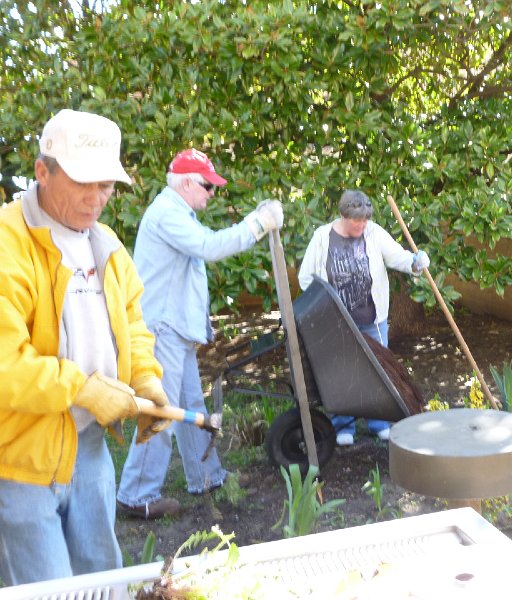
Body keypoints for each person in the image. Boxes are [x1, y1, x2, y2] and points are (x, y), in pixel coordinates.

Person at [0, 109, 172, 585]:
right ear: (42, 171)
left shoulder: (106, 244)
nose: (96, 199)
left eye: (106, 186)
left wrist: (145, 380)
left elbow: (132, 326)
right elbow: (6, 366)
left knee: (102, 582)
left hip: (90, 449)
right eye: (83, 183)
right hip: (20, 459)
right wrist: (84, 389)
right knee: (49, 591)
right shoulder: (7, 243)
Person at [116, 149, 283, 519]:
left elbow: (189, 267)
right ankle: (136, 495)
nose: (212, 193)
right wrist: (258, 224)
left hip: (174, 327)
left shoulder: (179, 213)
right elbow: (208, 247)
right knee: (162, 411)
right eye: (208, 186)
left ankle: (206, 477)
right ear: (187, 183)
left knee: (191, 407)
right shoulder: (167, 213)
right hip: (161, 329)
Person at [297, 190, 430, 446]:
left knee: (378, 374)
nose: (361, 225)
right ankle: (343, 425)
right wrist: (324, 305)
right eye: (356, 221)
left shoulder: (374, 233)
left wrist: (414, 263)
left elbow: (397, 257)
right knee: (340, 373)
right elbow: (306, 278)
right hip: (336, 324)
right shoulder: (322, 237)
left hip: (372, 320)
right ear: (343, 216)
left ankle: (378, 423)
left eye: (365, 220)